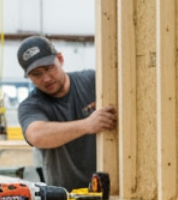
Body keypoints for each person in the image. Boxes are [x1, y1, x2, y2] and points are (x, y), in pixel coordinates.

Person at [15, 36, 118, 189]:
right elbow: (36, 135)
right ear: (29, 76)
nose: (46, 78)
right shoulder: (31, 105)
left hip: (112, 193)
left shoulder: (94, 82)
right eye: (36, 74)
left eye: (49, 68)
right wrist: (88, 124)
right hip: (66, 199)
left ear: (60, 59)